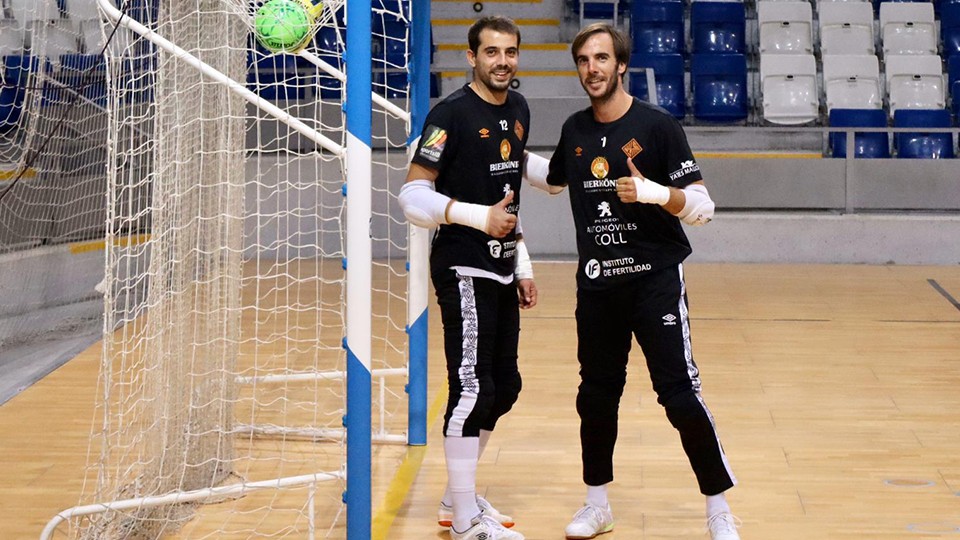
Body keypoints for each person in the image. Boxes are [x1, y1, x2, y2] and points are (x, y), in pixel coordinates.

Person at [521, 23, 741, 540]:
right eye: (583, 61)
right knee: (596, 396)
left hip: (655, 284)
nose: (591, 69)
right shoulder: (575, 130)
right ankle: (596, 503)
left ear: (621, 65)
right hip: (598, 287)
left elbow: (703, 208)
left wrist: (653, 193)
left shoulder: (658, 126)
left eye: (601, 59)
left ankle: (719, 508)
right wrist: (490, 157)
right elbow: (553, 180)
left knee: (680, 395)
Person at [398, 15, 536, 540]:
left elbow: (509, 191)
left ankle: (457, 495)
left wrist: (520, 263)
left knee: (507, 385)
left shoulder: (519, 109)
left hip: (501, 266)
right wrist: (478, 218)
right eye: (492, 52)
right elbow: (411, 196)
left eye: (511, 52)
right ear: (471, 57)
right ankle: (464, 520)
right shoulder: (448, 114)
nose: (503, 61)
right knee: (473, 387)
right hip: (462, 264)